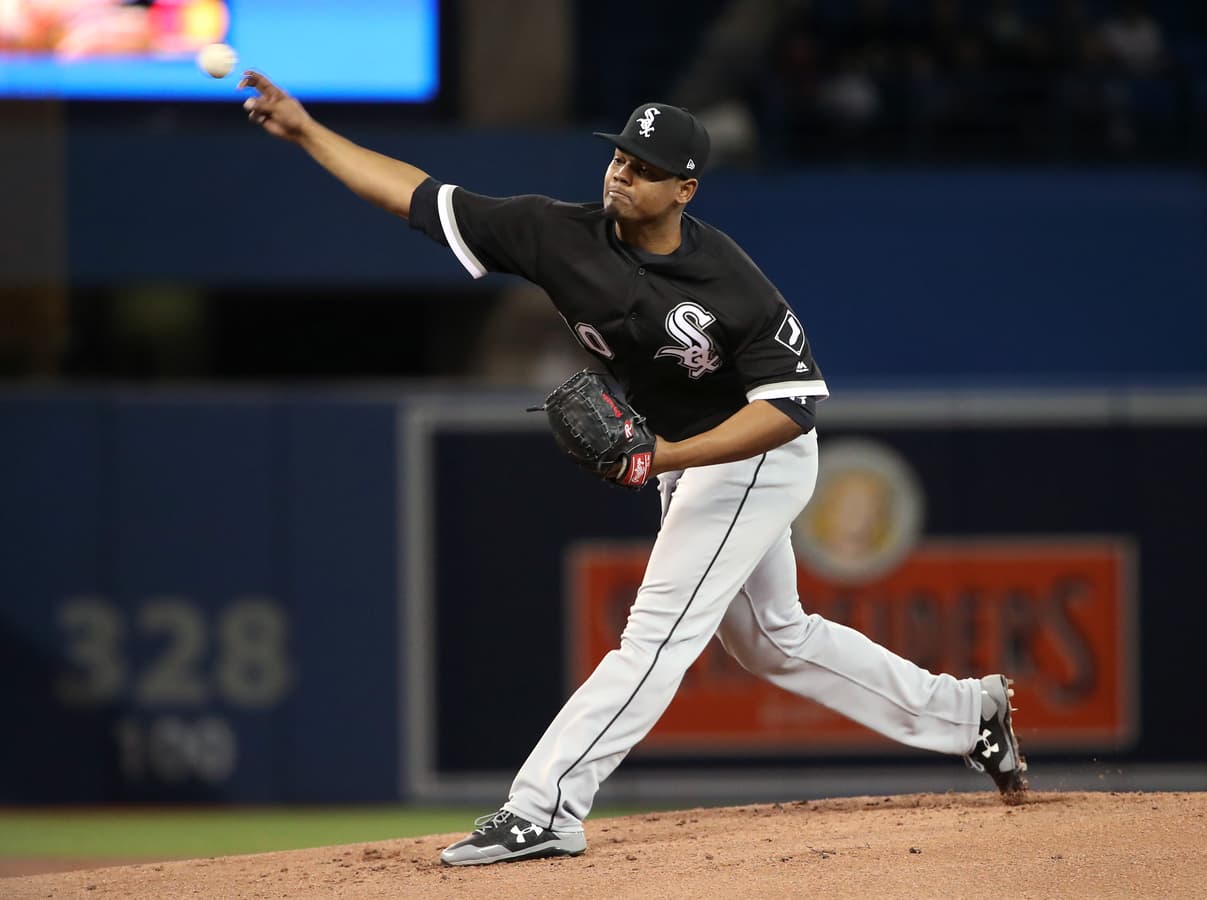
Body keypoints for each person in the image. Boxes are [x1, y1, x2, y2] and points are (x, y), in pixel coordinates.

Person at [238, 70, 1029, 867]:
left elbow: (791, 409)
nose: (623, 172)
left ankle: (544, 806)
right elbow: (417, 196)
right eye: (620, 156)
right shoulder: (555, 232)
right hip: (690, 457)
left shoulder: (731, 281)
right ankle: (968, 714)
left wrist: (665, 457)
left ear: (684, 188)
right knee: (773, 641)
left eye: (646, 167)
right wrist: (307, 130)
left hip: (754, 453)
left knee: (655, 636)